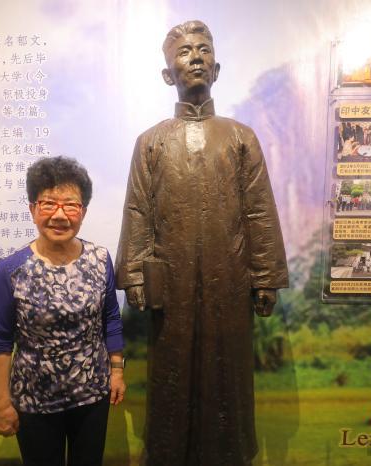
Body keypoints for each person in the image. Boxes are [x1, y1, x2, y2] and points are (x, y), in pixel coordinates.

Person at [116, 20, 288, 466]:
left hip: (229, 278)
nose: (195, 57)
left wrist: (265, 277)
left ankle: (228, 452)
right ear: (167, 74)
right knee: (171, 370)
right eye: (184, 52)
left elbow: (259, 210)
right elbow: (138, 209)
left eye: (204, 50)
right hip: (168, 284)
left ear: (217, 68)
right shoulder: (150, 142)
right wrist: (134, 275)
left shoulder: (240, 138)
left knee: (227, 371)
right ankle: (168, 452)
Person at [0, 156, 125, 466]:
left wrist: (117, 371)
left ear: (83, 212)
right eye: (49, 204)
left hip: (92, 395)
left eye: (71, 206)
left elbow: (111, 318)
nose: (60, 215)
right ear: (33, 208)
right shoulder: (10, 271)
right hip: (34, 402)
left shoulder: (100, 259)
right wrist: (1, 406)